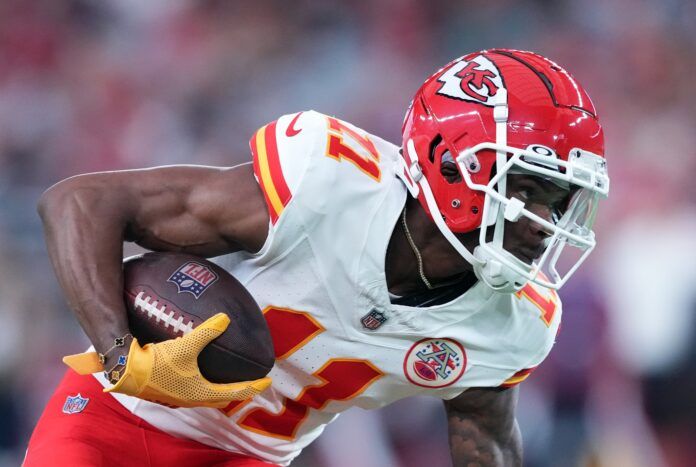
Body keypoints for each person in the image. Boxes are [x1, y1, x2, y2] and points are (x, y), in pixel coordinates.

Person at [25, 49, 609, 466]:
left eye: (559, 203)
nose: (545, 225)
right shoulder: (328, 187)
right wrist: (119, 353)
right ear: (453, 163)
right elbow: (79, 202)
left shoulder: (513, 322)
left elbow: (487, 435)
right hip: (115, 420)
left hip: (251, 457)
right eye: (528, 190)